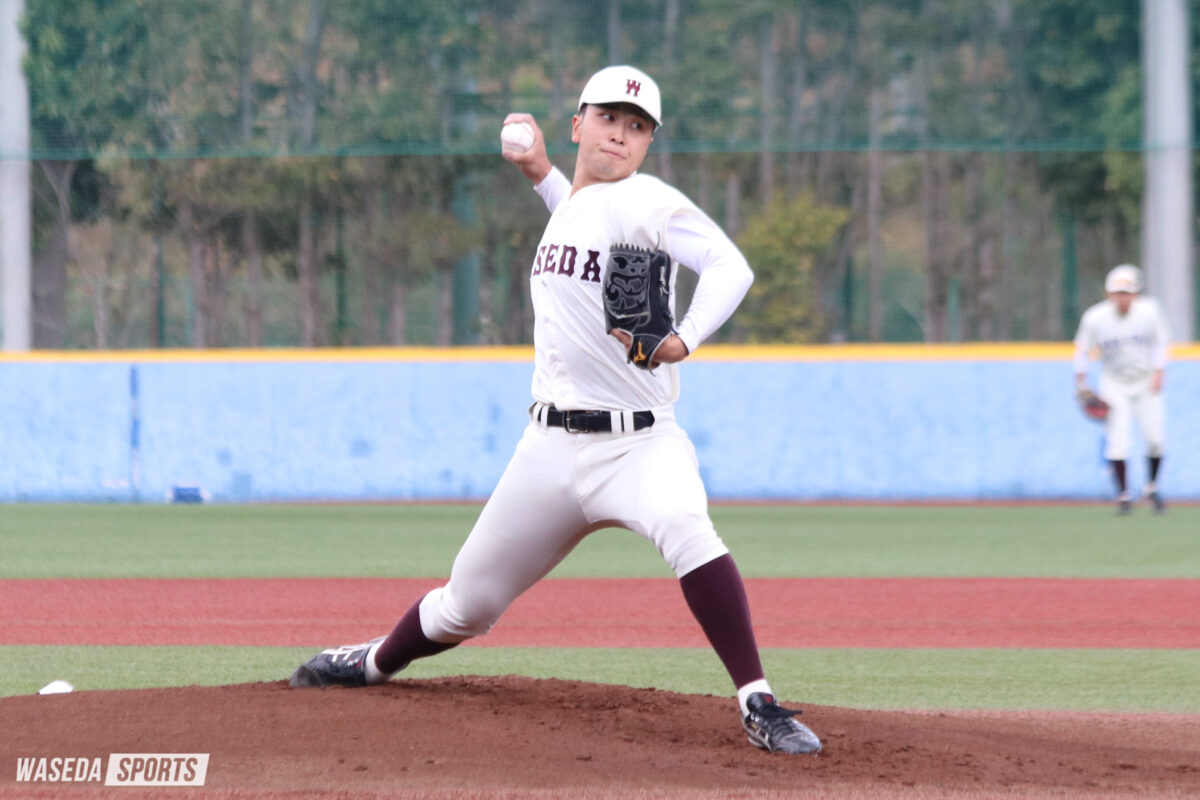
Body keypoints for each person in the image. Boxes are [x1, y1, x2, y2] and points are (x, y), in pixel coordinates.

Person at [287, 65, 821, 755]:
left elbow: (730, 267)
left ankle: (758, 703)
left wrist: (682, 338)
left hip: (638, 445)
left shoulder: (647, 200)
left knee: (689, 530)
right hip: (548, 449)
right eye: (608, 118)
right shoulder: (574, 204)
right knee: (466, 605)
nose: (620, 135)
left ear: (648, 144)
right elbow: (576, 214)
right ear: (578, 125)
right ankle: (372, 662)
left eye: (637, 127)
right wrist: (540, 172)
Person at [1073, 264, 1170, 514]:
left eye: (1127, 292)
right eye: (1118, 293)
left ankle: (1151, 488)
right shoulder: (1095, 317)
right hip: (1114, 382)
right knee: (1117, 440)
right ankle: (1124, 495)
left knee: (1155, 439)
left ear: (1135, 294)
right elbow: (1082, 349)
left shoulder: (1149, 311)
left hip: (1146, 380)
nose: (1122, 297)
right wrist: (1081, 380)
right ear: (1109, 294)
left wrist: (1160, 372)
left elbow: (1161, 343)